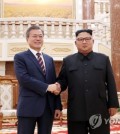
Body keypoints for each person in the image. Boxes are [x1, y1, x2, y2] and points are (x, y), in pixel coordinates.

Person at [56, 29, 119, 134]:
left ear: (93, 41)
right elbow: (62, 81)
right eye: (80, 39)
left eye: (87, 39)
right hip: (76, 109)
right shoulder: (68, 60)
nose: (84, 42)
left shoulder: (103, 59)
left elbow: (111, 83)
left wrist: (113, 104)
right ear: (75, 43)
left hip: (99, 108)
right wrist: (58, 86)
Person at [14, 25, 62, 134]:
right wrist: (47, 87)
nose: (38, 39)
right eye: (34, 36)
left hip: (48, 108)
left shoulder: (49, 59)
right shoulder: (20, 57)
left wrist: (57, 106)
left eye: (40, 36)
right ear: (27, 39)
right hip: (28, 106)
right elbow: (24, 79)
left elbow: (53, 82)